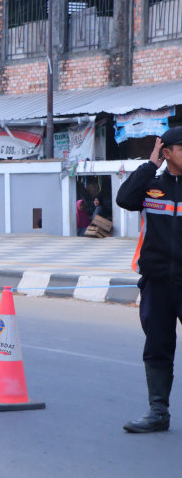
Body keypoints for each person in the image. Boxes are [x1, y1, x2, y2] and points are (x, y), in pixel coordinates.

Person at [116, 128, 182, 433]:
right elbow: (124, 199)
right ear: (166, 152)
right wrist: (149, 164)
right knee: (157, 347)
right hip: (157, 282)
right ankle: (158, 413)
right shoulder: (151, 186)